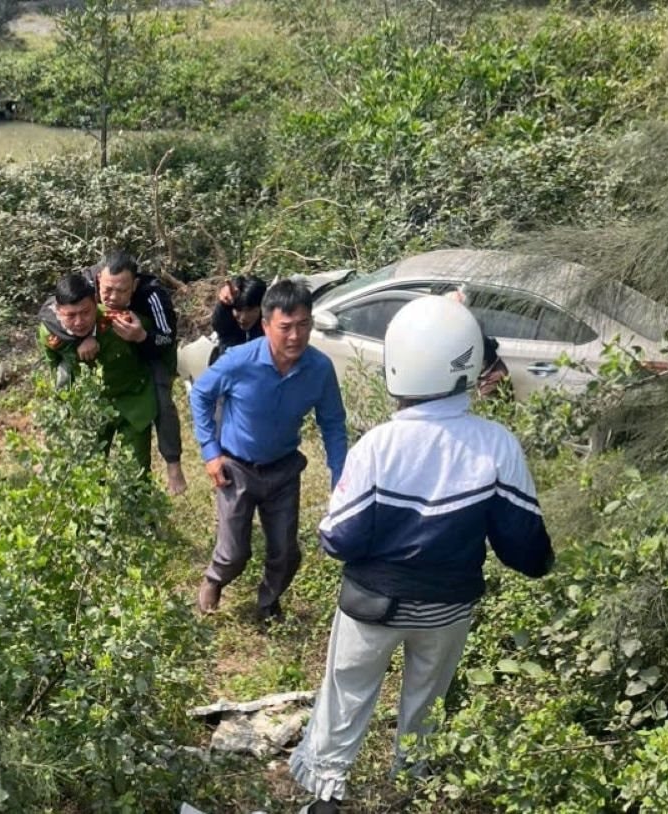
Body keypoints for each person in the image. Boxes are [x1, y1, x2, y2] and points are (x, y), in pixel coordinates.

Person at [289, 295, 554, 813]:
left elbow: (338, 538)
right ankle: (414, 785)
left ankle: (326, 792)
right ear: (469, 363)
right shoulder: (496, 444)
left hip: (373, 605)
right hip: (447, 609)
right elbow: (525, 549)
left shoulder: (378, 445)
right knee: (426, 702)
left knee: (346, 694)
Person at [190, 278, 348, 623]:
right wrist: (211, 452)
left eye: (303, 325)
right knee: (234, 552)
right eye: (285, 327)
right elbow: (200, 394)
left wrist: (340, 477)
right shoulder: (239, 361)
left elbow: (333, 424)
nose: (295, 336)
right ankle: (214, 579)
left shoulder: (319, 369)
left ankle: (268, 602)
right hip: (236, 467)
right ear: (265, 326)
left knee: (286, 553)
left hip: (283, 469)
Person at [38, 252, 187, 495]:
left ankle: (173, 465)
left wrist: (141, 337)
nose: (113, 298)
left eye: (122, 290)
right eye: (107, 290)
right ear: (98, 281)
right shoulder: (84, 285)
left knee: (161, 400)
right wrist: (79, 339)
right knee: (89, 470)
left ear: (134, 285)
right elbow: (50, 313)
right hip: (95, 399)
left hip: (145, 366)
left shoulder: (150, 295)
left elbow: (167, 339)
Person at [39, 272, 158, 474]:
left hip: (132, 404)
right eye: (70, 315)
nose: (79, 322)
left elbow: (157, 343)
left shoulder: (120, 321)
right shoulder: (49, 333)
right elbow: (55, 369)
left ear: (96, 302)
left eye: (85, 312)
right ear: (58, 312)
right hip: (91, 409)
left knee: (135, 475)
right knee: (90, 474)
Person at [212, 275, 267, 357]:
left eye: (250, 310)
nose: (243, 317)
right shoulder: (228, 329)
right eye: (238, 309)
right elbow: (218, 324)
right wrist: (222, 304)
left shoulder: (270, 333)